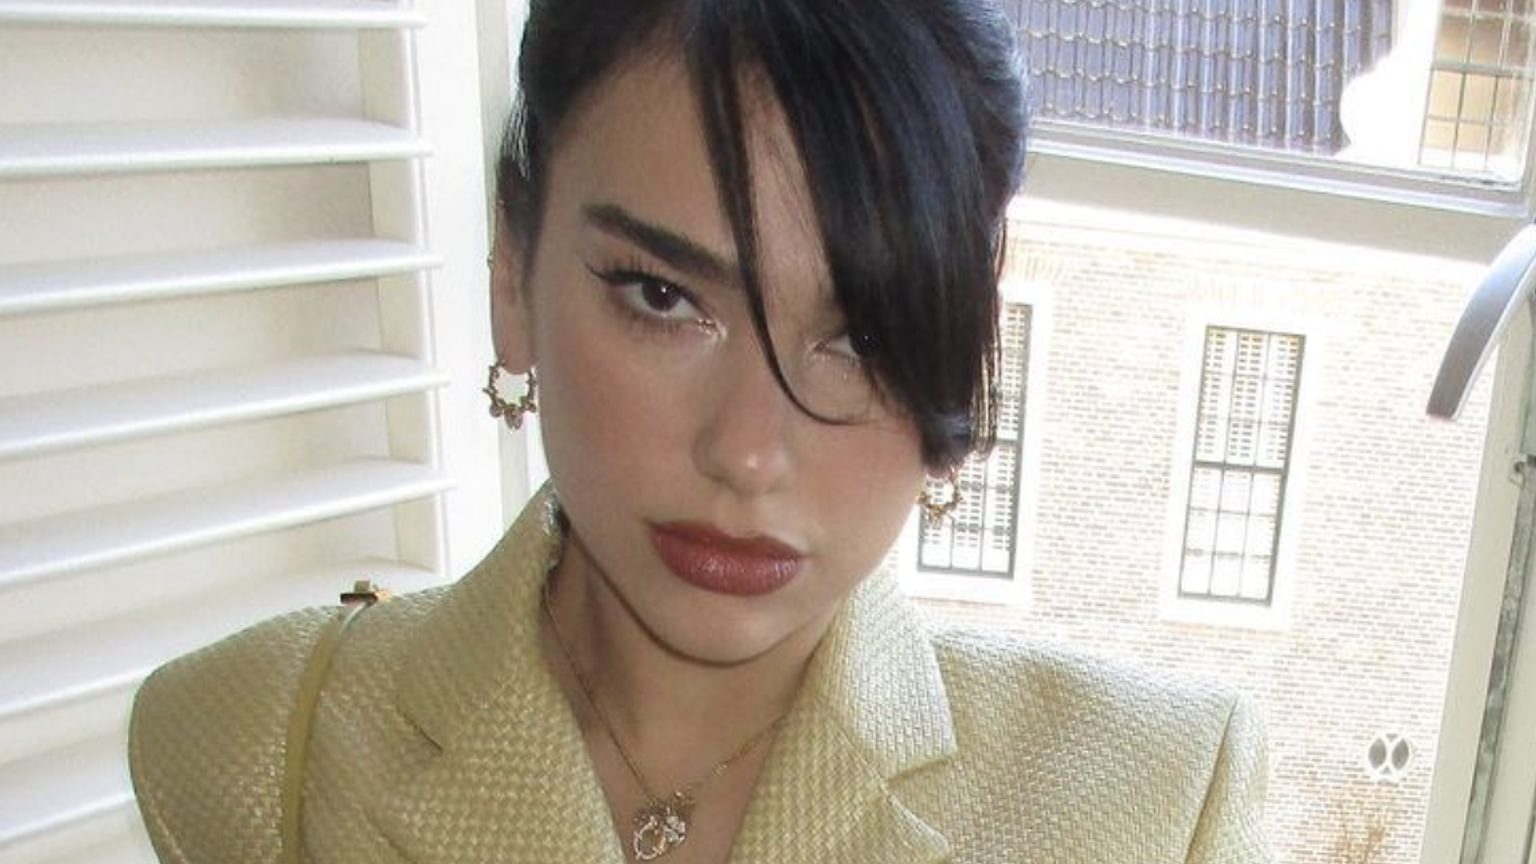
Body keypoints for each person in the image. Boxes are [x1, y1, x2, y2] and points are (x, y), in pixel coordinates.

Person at [128, 0, 1272, 862]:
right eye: (665, 298)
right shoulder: (255, 744)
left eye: (861, 335)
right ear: (513, 270)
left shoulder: (1153, 807)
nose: (749, 451)